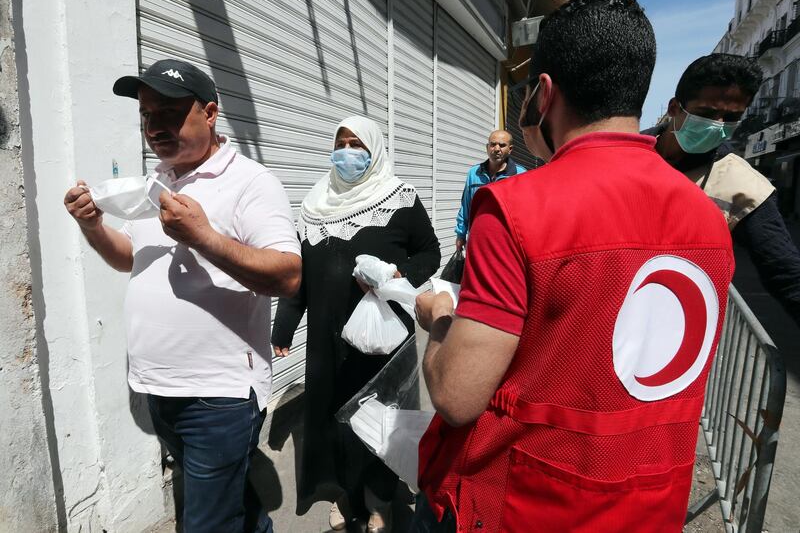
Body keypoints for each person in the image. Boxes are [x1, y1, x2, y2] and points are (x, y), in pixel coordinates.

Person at [413, 0, 734, 532]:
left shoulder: (517, 207)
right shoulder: (706, 218)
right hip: (650, 502)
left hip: (524, 502)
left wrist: (439, 318)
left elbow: (456, 395)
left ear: (544, 92)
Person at [63, 59, 301, 533]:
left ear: (210, 113)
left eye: (170, 113)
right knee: (232, 504)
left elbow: (289, 275)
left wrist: (204, 237)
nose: (156, 127)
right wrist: (92, 226)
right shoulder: (157, 182)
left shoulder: (251, 183)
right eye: (148, 115)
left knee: (206, 522)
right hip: (159, 388)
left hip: (218, 394)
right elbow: (130, 257)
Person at [271, 116, 440, 533]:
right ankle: (347, 494)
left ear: (375, 149)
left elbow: (430, 252)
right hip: (327, 341)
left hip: (381, 342)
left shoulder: (398, 198)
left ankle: (379, 497)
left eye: (357, 144)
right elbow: (301, 278)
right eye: (341, 142)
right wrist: (284, 326)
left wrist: (397, 275)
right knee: (334, 421)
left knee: (381, 421)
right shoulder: (315, 206)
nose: (347, 151)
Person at [645, 53, 800, 326]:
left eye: (731, 118)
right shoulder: (629, 150)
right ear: (674, 108)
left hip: (671, 320)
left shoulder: (745, 188)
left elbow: (786, 273)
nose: (717, 126)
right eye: (706, 113)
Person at [453, 130, 525, 251]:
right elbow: (466, 207)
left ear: (510, 149)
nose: (497, 149)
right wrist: (460, 234)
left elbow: (525, 213)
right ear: (487, 147)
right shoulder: (474, 173)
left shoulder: (521, 175)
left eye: (502, 145)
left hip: (507, 243)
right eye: (493, 144)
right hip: (477, 241)